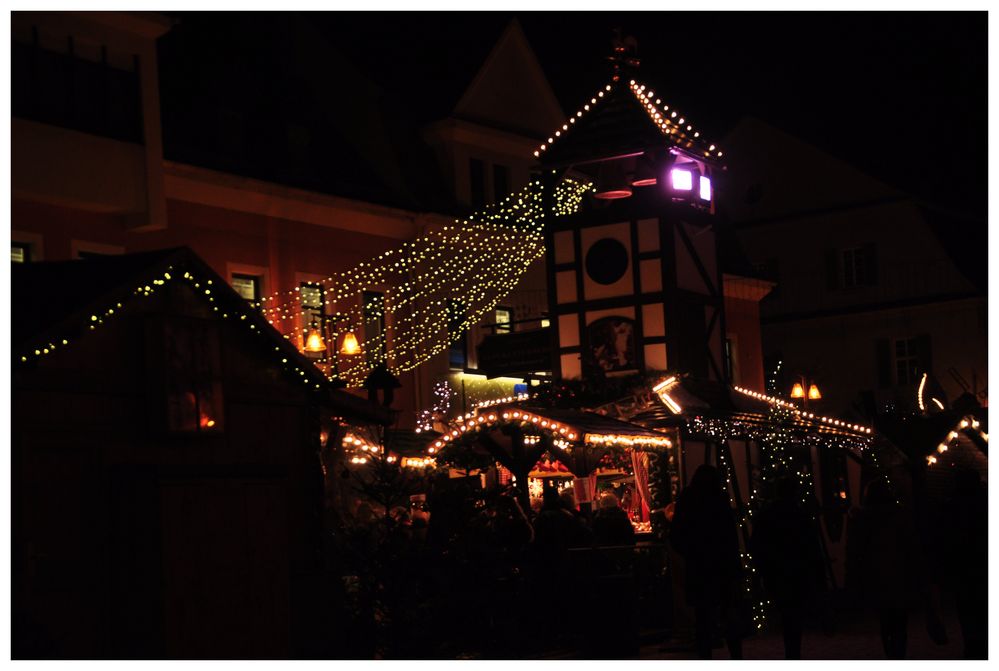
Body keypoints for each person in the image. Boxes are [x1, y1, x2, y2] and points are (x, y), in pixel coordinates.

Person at [669, 465, 743, 659]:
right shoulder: (719, 500)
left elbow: (676, 536)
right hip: (722, 565)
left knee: (703, 617)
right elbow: (730, 537)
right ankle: (736, 655)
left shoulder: (688, 500)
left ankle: (705, 656)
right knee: (728, 614)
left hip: (699, 566)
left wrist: (691, 553)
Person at [749, 476, 825, 658]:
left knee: (786, 613)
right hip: (797, 572)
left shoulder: (767, 515)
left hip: (776, 572)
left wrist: (762, 568)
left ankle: (791, 651)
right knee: (794, 615)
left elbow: (756, 544)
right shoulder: (800, 515)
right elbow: (811, 545)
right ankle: (793, 652)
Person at [845, 477, 919, 659]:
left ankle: (891, 652)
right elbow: (911, 547)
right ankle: (898, 653)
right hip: (899, 577)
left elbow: (855, 551)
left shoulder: (862, 519)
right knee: (900, 622)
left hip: (876, 577)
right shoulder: (900, 516)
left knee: (885, 621)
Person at [941, 468, 987, 658]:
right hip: (979, 564)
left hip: (963, 566)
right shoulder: (984, 503)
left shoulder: (952, 506)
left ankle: (973, 645)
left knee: (967, 609)